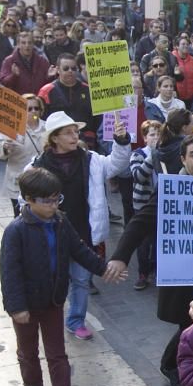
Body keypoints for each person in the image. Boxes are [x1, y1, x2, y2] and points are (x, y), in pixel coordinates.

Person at [107, 134, 193, 386]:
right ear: (183, 158)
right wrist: (120, 256)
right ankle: (172, 365)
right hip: (185, 270)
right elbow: (141, 221)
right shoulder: (174, 187)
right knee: (191, 321)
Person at [2, 167, 127, 386]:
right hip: (25, 305)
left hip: (53, 301)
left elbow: (80, 251)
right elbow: (9, 273)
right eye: (46, 200)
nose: (52, 205)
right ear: (28, 198)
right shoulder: (16, 231)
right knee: (28, 352)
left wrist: (104, 269)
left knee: (57, 354)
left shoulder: (61, 222)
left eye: (55, 199)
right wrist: (16, 307)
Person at [31, 112, 132, 339]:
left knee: (81, 280)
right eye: (68, 132)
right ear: (54, 138)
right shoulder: (38, 165)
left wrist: (121, 140)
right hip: (51, 233)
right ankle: (51, 317)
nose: (74, 135)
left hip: (83, 232)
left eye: (75, 131)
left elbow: (117, 163)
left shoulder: (91, 159)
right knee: (54, 279)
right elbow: (25, 197)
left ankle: (76, 320)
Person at [0, 94, 48, 216]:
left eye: (36, 108)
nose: (33, 111)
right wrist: (4, 148)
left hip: (42, 181)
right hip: (18, 182)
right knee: (21, 217)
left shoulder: (47, 127)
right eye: (29, 109)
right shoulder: (12, 128)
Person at [128, 119, 162, 290]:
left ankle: (157, 270)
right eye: (152, 134)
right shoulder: (138, 154)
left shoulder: (163, 153)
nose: (156, 137)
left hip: (161, 204)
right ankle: (143, 273)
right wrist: (152, 155)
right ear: (145, 138)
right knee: (143, 242)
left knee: (158, 240)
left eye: (158, 134)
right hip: (142, 205)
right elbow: (138, 176)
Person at [42, 54, 99, 145]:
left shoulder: (89, 90)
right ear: (58, 70)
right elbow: (42, 121)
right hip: (59, 142)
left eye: (73, 68)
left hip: (87, 142)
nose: (70, 71)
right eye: (66, 68)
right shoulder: (46, 91)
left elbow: (97, 119)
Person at [1, 32, 55, 96]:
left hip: (37, 101)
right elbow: (4, 83)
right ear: (18, 44)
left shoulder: (42, 61)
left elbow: (47, 86)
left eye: (29, 43)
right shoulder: (9, 61)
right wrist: (14, 76)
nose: (27, 45)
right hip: (18, 101)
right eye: (23, 43)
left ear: (33, 44)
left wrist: (50, 77)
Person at [172, 36, 193, 109]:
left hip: (190, 97)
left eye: (187, 44)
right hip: (175, 96)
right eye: (183, 44)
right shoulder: (171, 58)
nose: (186, 46)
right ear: (177, 46)